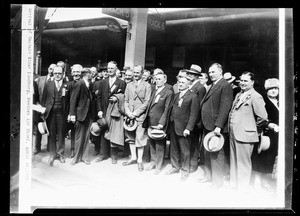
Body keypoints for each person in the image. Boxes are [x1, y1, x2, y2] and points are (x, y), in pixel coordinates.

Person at [228, 71, 268, 192]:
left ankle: (243, 189)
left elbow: (263, 118)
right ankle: (234, 185)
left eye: (246, 81)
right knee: (234, 160)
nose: (243, 83)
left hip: (246, 134)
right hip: (234, 132)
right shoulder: (239, 94)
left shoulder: (256, 96)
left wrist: (252, 127)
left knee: (243, 163)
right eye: (241, 81)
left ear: (252, 82)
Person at [198, 63, 233, 189]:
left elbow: (225, 107)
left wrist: (219, 125)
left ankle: (217, 182)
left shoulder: (225, 85)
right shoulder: (214, 85)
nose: (211, 74)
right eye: (210, 72)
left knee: (217, 153)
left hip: (216, 126)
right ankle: (208, 176)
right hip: (208, 125)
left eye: (213, 72)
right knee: (208, 151)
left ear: (220, 71)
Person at [165, 76, 199, 181]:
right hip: (173, 126)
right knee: (173, 148)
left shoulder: (193, 96)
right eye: (179, 82)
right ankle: (175, 167)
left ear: (189, 84)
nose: (180, 84)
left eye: (183, 82)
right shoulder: (176, 95)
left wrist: (188, 128)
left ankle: (185, 170)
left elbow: (194, 114)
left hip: (184, 128)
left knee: (185, 151)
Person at [251, 78, 279, 192]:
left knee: (271, 158)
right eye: (271, 89)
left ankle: (265, 181)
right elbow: (260, 118)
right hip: (266, 134)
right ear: (266, 90)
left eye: (276, 88)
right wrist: (270, 125)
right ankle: (259, 182)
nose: (273, 91)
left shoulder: (280, 102)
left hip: (277, 135)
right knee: (263, 158)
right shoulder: (264, 102)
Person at [142, 73, 173, 175]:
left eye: (159, 79)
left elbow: (167, 109)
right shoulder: (154, 91)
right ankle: (153, 162)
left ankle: (159, 165)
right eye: (156, 79)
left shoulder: (168, 92)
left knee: (160, 145)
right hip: (151, 121)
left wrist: (161, 123)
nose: (157, 81)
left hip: (159, 123)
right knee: (151, 143)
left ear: (165, 80)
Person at [96, 61, 126, 164]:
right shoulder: (102, 82)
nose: (109, 70)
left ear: (116, 69)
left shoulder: (121, 83)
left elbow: (124, 98)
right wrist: (99, 110)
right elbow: (98, 98)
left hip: (115, 112)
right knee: (104, 131)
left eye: (112, 68)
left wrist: (117, 99)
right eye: (108, 68)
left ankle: (114, 155)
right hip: (104, 110)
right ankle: (103, 154)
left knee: (114, 133)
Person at [122, 65, 152, 171]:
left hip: (140, 116)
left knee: (140, 138)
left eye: (137, 73)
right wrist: (128, 112)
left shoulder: (147, 86)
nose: (135, 75)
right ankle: (133, 158)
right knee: (130, 138)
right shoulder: (129, 85)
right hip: (129, 116)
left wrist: (135, 113)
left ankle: (139, 160)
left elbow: (147, 102)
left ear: (142, 73)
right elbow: (125, 100)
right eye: (134, 72)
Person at [40, 66, 69, 166]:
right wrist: (43, 112)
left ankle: (60, 154)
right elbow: (43, 99)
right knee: (51, 135)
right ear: (53, 73)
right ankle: (52, 154)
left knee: (61, 134)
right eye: (55, 73)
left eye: (59, 73)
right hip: (51, 114)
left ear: (63, 74)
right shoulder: (49, 84)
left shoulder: (67, 85)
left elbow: (69, 101)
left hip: (62, 113)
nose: (57, 75)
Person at [69, 68, 93, 165]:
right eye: (91, 74)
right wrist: (73, 115)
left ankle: (84, 157)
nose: (92, 75)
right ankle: (76, 158)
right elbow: (73, 100)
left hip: (88, 115)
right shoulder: (79, 84)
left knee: (87, 137)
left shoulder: (89, 84)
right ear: (86, 74)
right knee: (79, 137)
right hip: (80, 114)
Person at [185, 64, 206, 173]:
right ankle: (186, 162)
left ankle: (193, 163)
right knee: (187, 142)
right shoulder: (189, 86)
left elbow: (200, 106)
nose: (189, 75)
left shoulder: (200, 88)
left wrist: (195, 122)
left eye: (192, 74)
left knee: (193, 143)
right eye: (188, 73)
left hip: (194, 121)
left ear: (197, 76)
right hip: (186, 119)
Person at [33, 63, 56, 155]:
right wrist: (38, 104)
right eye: (50, 69)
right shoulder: (40, 79)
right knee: (38, 128)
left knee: (50, 127)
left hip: (50, 109)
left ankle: (50, 147)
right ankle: (37, 147)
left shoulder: (56, 81)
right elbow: (36, 94)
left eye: (53, 70)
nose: (51, 71)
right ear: (48, 69)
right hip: (40, 107)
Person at [65, 64, 82, 158]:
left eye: (78, 72)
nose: (76, 74)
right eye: (74, 72)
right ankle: (73, 150)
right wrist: (69, 113)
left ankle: (80, 152)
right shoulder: (69, 85)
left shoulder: (84, 83)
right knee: (73, 132)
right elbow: (67, 101)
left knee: (81, 133)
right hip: (72, 113)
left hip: (82, 113)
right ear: (71, 73)